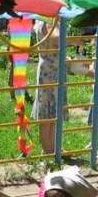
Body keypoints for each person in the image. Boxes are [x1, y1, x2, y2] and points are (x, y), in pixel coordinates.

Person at [31, 20, 83, 155]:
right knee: (47, 110)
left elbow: (53, 45)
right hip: (50, 71)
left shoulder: (46, 21)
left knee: (53, 110)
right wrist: (75, 40)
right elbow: (56, 39)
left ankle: (53, 147)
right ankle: (47, 149)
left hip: (52, 68)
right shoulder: (49, 21)